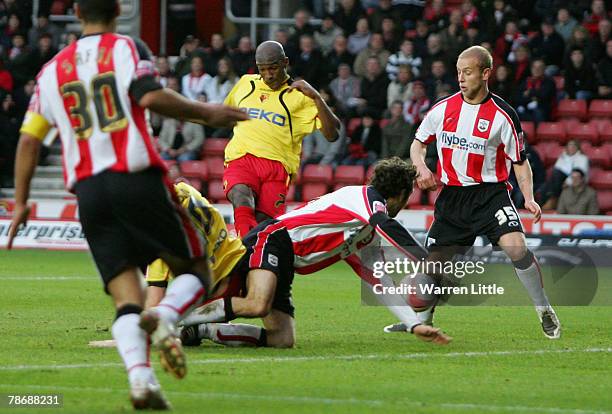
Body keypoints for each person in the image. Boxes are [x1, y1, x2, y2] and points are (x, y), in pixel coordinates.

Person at [6, 0, 247, 409]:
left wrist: (23, 201)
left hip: (89, 193)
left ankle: (141, 381)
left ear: (77, 12)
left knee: (127, 299)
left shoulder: (51, 71)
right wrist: (209, 113)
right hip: (136, 179)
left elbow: (29, 140)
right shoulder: (126, 49)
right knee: (196, 268)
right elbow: (150, 97)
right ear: (118, 9)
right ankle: (167, 316)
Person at [180, 157, 452, 347]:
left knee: (282, 339)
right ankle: (168, 321)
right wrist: (428, 262)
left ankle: (200, 330)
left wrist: (414, 324)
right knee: (255, 303)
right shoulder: (363, 199)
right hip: (273, 238)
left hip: (285, 262)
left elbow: (381, 284)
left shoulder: (363, 231)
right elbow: (386, 224)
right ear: (402, 194)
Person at [409, 46, 561, 339]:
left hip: (491, 195)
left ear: (486, 73)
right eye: (458, 73)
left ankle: (544, 309)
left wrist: (528, 197)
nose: (461, 79)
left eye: (467, 72)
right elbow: (418, 144)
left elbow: (520, 161)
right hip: (452, 197)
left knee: (518, 248)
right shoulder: (442, 109)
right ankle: (422, 322)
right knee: (433, 266)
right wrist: (421, 168)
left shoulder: (504, 115)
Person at [223, 40, 341, 237]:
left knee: (263, 225)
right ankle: (243, 255)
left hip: (277, 167)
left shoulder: (300, 96)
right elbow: (226, 115)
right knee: (241, 197)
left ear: (285, 62)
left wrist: (317, 98)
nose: (268, 75)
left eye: (273, 68)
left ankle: (250, 255)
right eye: (263, 69)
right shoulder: (245, 83)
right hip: (241, 158)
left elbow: (332, 134)